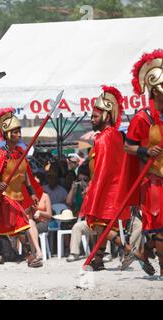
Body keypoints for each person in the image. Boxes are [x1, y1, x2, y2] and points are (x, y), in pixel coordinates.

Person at [0, 108, 44, 268]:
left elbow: (25, 175)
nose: (19, 134)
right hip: (5, 197)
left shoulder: (20, 153)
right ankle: (30, 256)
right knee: (20, 224)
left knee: (1, 230)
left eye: (19, 131)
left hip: (17, 196)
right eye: (15, 132)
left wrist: (31, 193)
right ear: (8, 134)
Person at [118, 49, 163, 278]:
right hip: (152, 177)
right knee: (160, 224)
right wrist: (146, 150)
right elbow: (128, 147)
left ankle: (144, 252)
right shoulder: (141, 118)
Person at [79, 85, 134, 271]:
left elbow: (102, 170)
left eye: (95, 116)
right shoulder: (117, 136)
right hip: (116, 188)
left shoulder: (103, 138)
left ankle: (130, 249)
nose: (91, 119)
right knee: (103, 225)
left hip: (107, 188)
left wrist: (94, 189)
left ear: (107, 116)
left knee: (97, 223)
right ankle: (98, 260)